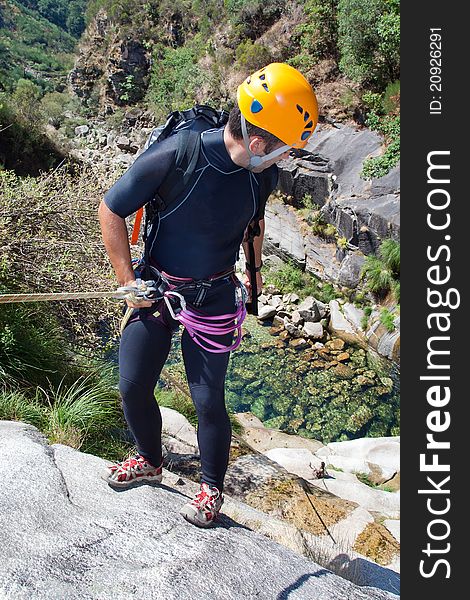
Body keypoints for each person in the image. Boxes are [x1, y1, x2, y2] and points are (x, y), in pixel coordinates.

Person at [98, 62, 318, 528]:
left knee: (207, 398)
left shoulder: (260, 175)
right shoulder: (178, 154)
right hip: (157, 287)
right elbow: (111, 208)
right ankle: (150, 460)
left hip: (214, 295)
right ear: (257, 143)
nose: (283, 157)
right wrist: (126, 280)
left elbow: (251, 225)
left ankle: (211, 487)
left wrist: (255, 281)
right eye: (281, 149)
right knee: (133, 385)